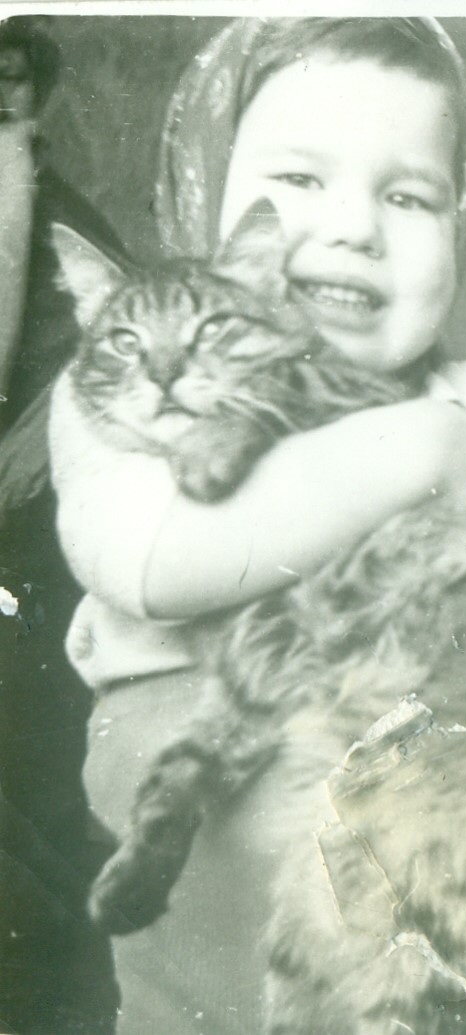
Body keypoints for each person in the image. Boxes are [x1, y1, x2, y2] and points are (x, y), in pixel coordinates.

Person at [48, 19, 466, 1034]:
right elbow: (150, 561)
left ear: (461, 224)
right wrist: (428, 451)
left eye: (408, 196)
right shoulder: (126, 411)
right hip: (207, 929)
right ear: (204, 202)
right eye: (297, 180)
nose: (352, 228)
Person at [0, 16, 124, 1034]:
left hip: (37, 547)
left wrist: (42, 436)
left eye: (10, 79)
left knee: (38, 788)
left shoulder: (62, 222)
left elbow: (117, 349)